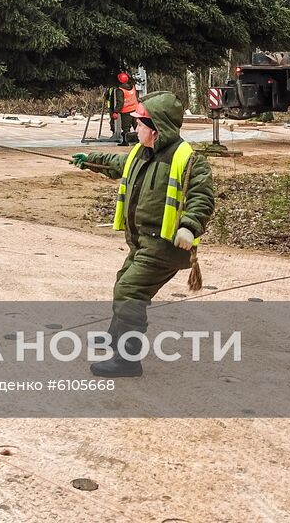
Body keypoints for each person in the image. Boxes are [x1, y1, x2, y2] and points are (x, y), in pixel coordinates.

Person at [71, 91, 215, 378]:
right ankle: (117, 337)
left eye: (139, 124)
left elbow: (202, 198)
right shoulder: (142, 153)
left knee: (130, 292)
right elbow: (117, 164)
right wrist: (89, 160)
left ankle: (127, 360)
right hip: (141, 242)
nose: (134, 128)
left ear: (157, 128)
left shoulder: (188, 161)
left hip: (164, 247)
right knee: (124, 283)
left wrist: (189, 226)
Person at [114, 71, 139, 146]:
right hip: (135, 109)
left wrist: (116, 112)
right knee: (137, 126)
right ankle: (140, 141)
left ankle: (125, 142)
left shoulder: (120, 90)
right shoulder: (133, 87)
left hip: (126, 111)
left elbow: (120, 102)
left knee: (126, 128)